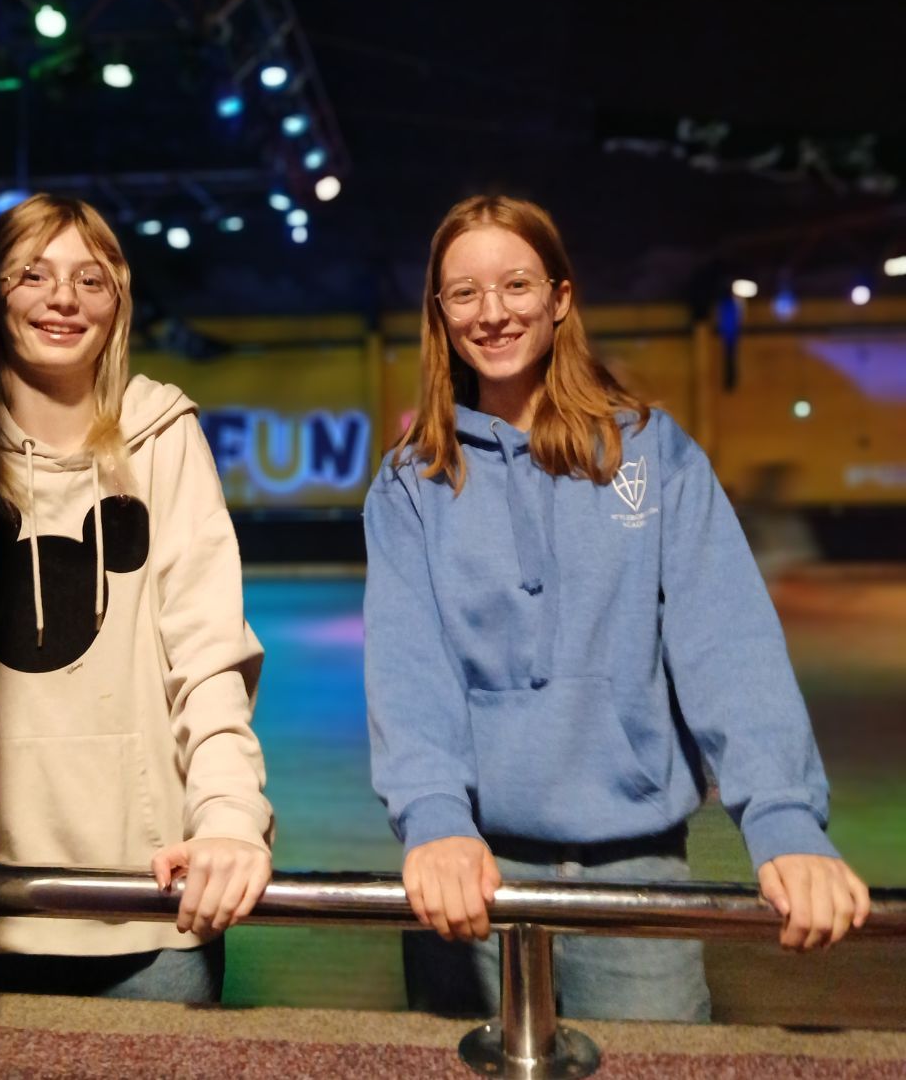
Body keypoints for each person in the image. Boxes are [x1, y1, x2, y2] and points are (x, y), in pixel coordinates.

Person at [363, 194, 869, 1022]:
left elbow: (729, 645)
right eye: (464, 293)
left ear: (560, 299)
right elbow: (409, 668)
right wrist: (434, 818)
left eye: (516, 284)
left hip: (638, 873)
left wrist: (783, 819)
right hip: (469, 871)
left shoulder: (652, 452)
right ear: (440, 314)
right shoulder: (412, 483)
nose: (493, 313)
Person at [0, 194, 272, 1003]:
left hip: (147, 909)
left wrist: (227, 817)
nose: (63, 298)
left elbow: (209, 654)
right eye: (32, 274)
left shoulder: (162, 436)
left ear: (118, 304)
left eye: (91, 279)